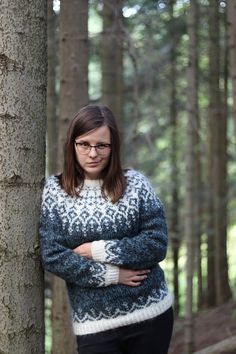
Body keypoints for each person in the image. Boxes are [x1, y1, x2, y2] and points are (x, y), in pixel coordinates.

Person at [39, 105, 173, 354]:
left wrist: (98, 250)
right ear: (72, 144)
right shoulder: (55, 191)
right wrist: (112, 276)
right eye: (84, 144)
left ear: (113, 147)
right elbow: (53, 255)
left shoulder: (136, 184)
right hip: (94, 326)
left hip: (151, 313)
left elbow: (156, 243)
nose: (93, 153)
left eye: (101, 145)